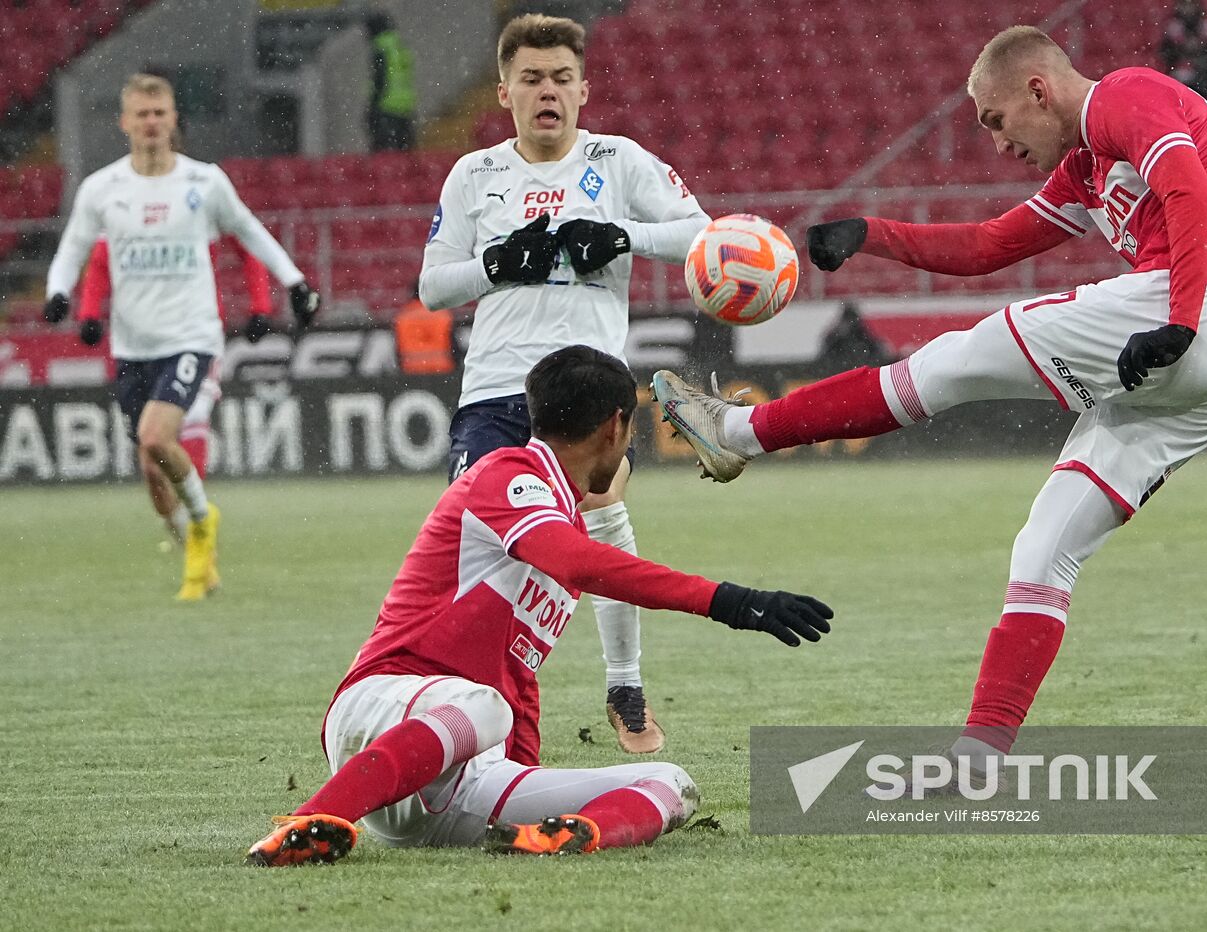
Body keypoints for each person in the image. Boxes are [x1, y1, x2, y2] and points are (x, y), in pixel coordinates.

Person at [654, 26, 1207, 775]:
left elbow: (1187, 189)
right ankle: (981, 755)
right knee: (1045, 549)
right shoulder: (1086, 168)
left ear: (1038, 89)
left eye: (995, 119)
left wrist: (1177, 318)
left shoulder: (1123, 97)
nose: (997, 142)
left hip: (1200, 309)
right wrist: (869, 233)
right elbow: (984, 247)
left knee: (952, 362)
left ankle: (741, 431)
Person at [245, 346, 833, 865]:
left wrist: (524, 771)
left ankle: (571, 837)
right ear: (616, 427)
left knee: (670, 783)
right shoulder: (506, 474)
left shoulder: (563, 513)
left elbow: (518, 674)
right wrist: (727, 600)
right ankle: (310, 820)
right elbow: (580, 563)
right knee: (486, 707)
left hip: (454, 777)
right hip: (378, 715)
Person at [418, 14, 711, 753]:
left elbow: (701, 232)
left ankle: (625, 682)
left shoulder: (618, 161)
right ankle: (475, 702)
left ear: (583, 89)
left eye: (559, 78)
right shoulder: (474, 174)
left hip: (586, 385)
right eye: (530, 79)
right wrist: (496, 265)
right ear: (504, 92)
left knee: (603, 513)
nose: (546, 91)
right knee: (486, 548)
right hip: (494, 390)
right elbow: (430, 288)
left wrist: (621, 236)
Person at [45, 73, 320, 601]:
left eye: (160, 113)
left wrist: (295, 283)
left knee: (156, 437)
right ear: (124, 122)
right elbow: (75, 248)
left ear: (174, 120)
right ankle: (190, 529)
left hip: (192, 337)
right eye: (142, 114)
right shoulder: (103, 189)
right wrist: (60, 291)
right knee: (150, 466)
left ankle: (201, 524)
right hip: (132, 345)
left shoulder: (204, 182)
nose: (151, 123)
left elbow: (248, 230)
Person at [78, 234, 277, 548]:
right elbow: (101, 259)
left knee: (188, 423)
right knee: (149, 458)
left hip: (195, 337)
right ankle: (181, 529)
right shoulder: (123, 201)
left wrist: (261, 305)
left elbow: (249, 243)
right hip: (141, 346)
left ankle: (197, 527)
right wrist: (88, 313)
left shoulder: (200, 192)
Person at [1159, 0, 1207, 110]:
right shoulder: (1172, 29)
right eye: (1185, 5)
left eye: (1191, 4)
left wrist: (1199, 55)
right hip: (1178, 71)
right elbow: (1166, 55)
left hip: (1204, 74)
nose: (1188, 9)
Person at [365, 12, 416, 151]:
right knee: (404, 155)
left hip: (387, 107)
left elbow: (380, 79)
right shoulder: (399, 45)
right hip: (405, 106)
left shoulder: (381, 47)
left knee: (384, 155)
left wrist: (373, 106)